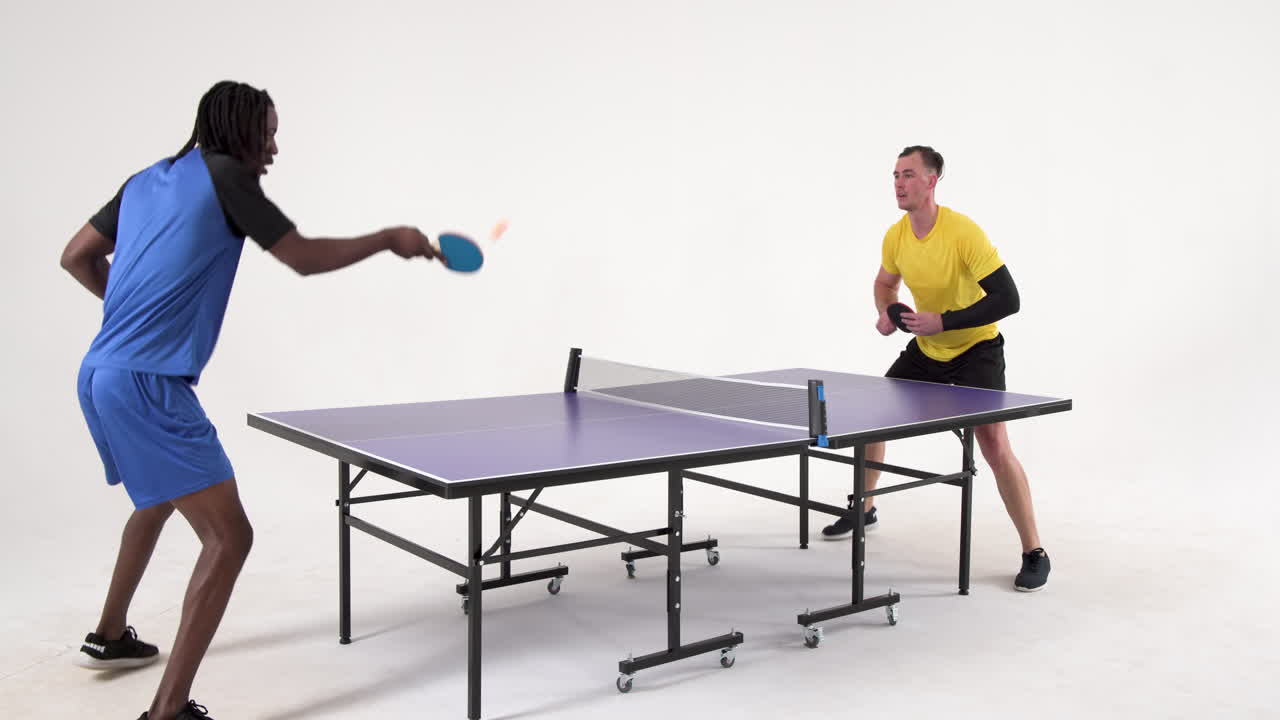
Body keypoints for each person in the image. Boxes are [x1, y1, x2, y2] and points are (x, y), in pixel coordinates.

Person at [60, 80, 441, 720]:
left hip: (99, 373)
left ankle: (109, 636)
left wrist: (136, 317)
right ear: (240, 130)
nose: (273, 145)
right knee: (229, 538)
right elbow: (302, 258)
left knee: (155, 498)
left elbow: (75, 257)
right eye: (268, 130)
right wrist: (388, 239)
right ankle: (167, 712)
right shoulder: (228, 178)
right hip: (148, 387)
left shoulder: (145, 181)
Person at [820, 145, 1050, 593]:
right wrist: (887, 312)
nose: (899, 183)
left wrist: (944, 321)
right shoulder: (896, 235)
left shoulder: (963, 233)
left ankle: (1034, 551)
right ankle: (865, 507)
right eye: (895, 175)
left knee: (995, 444)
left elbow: (1008, 299)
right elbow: (884, 282)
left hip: (976, 350)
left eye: (908, 174)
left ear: (932, 180)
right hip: (927, 350)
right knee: (874, 416)